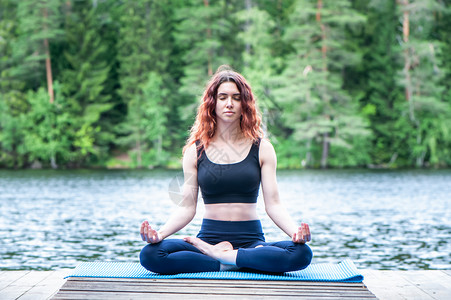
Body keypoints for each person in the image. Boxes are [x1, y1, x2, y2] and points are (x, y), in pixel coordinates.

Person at [139, 66, 312, 274]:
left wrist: (295, 233)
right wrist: (160, 234)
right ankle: (228, 262)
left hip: (251, 241)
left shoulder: (263, 148)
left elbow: (273, 204)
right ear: (213, 103)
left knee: (302, 253)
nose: (229, 103)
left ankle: (226, 258)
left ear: (244, 104)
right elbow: (186, 208)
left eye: (236, 98)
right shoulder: (195, 151)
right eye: (222, 97)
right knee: (150, 254)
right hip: (208, 240)